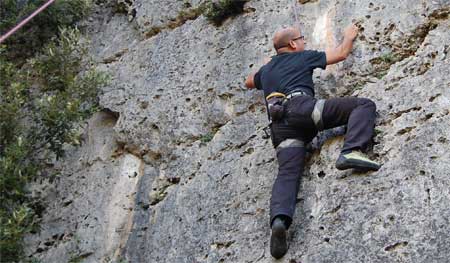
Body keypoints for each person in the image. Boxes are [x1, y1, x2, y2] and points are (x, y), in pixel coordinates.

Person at [244, 24, 381, 259]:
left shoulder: (266, 72)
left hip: (279, 126)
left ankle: (280, 220)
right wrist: (348, 36)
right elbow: (340, 54)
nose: (304, 42)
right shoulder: (303, 57)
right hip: (303, 109)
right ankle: (352, 149)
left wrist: (267, 65)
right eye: (302, 39)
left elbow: (248, 81)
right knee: (363, 105)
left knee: (287, 173)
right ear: (294, 45)